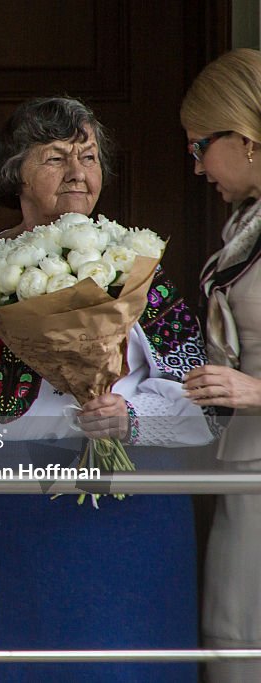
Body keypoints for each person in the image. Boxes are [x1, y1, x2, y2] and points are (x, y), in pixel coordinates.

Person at [0, 96, 214, 682]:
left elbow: (201, 399)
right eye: (55, 156)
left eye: (89, 157)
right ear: (15, 170)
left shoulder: (132, 263)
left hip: (119, 530)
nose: (78, 172)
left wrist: (129, 419)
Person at [181, 48, 261, 683]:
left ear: (247, 135)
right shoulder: (244, 226)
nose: (198, 162)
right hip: (238, 475)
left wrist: (252, 390)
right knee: (231, 650)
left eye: (203, 143)